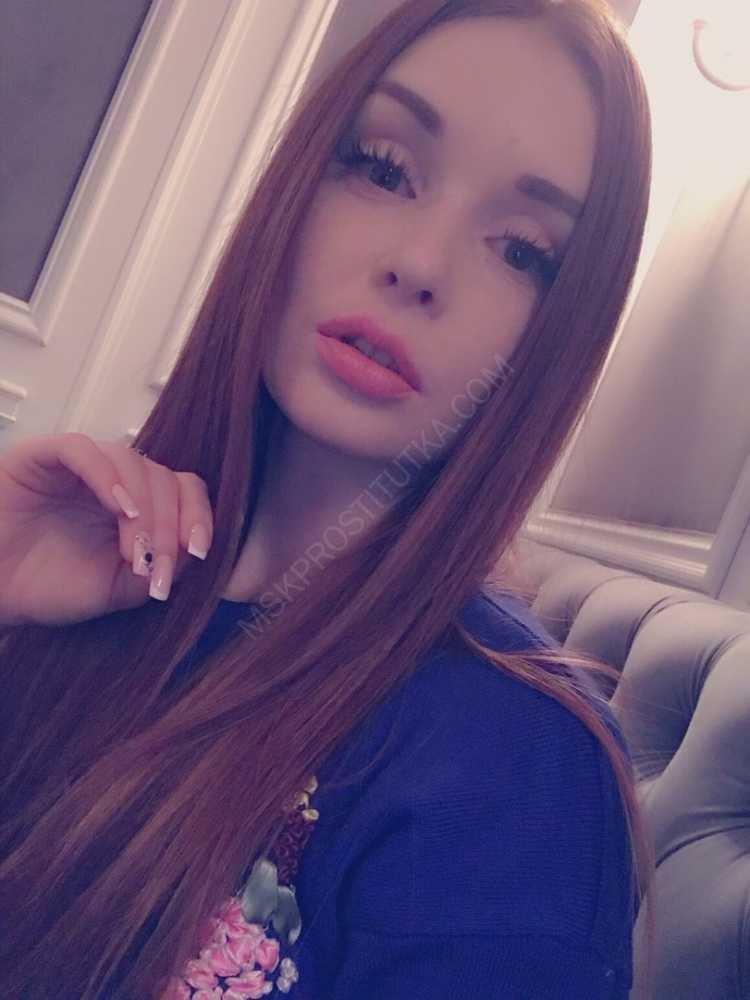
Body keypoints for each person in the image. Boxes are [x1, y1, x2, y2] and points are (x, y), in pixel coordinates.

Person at [0, 1, 656, 996]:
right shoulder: (88, 560)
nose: (420, 264)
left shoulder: (522, 772)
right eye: (384, 169)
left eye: (523, 251)